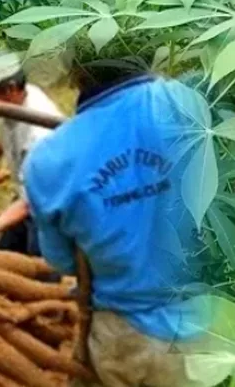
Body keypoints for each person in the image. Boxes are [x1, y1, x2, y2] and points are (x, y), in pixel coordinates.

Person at [13, 59, 210, 387]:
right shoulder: (199, 102)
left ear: (74, 71)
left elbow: (61, 261)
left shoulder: (50, 159)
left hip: (122, 340)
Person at [0, 51, 64, 257]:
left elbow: (29, 202)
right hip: (25, 193)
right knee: (5, 252)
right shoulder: (12, 103)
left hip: (49, 202)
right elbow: (6, 132)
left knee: (40, 261)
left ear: (10, 89)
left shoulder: (40, 134)